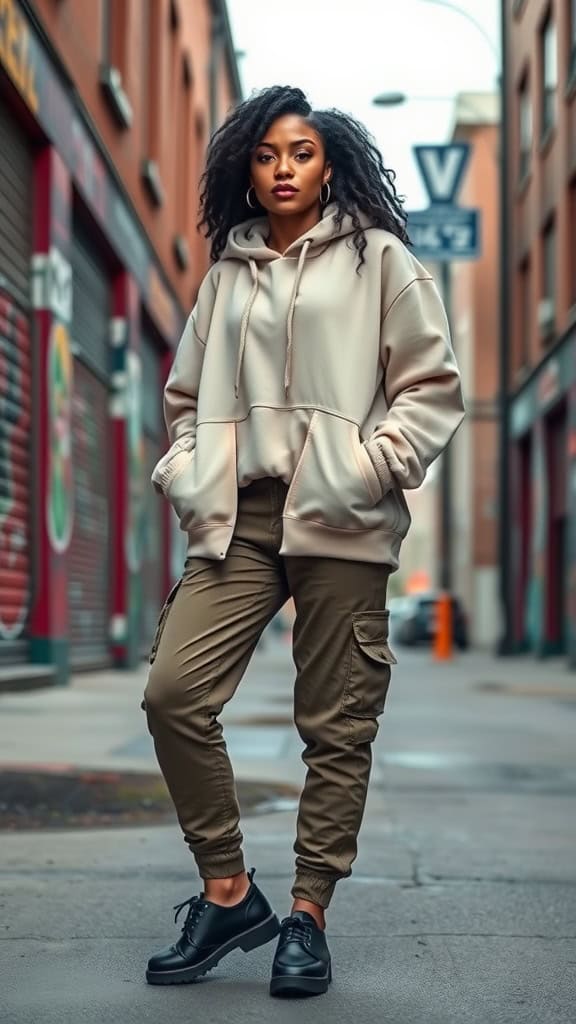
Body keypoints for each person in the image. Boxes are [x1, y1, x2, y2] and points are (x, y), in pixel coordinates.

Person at [143, 84, 464, 998]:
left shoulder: (382, 261)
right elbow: (183, 398)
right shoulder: (225, 276)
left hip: (343, 517)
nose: (284, 169)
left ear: (331, 166)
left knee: (336, 727)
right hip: (239, 517)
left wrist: (370, 466)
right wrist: (188, 466)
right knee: (174, 694)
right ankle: (230, 890)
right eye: (267, 155)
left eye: (302, 154)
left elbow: (431, 389)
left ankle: (309, 915)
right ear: (246, 166)